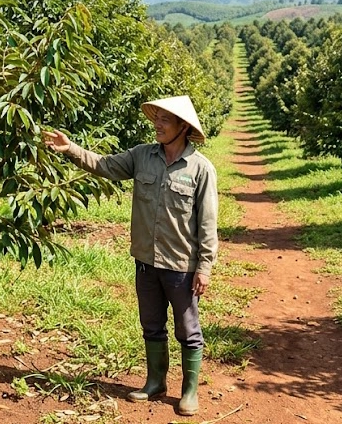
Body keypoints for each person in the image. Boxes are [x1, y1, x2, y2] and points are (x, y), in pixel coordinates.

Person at [42, 95, 217, 417]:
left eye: (165, 119)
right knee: (151, 325)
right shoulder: (141, 156)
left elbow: (207, 223)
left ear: (183, 127)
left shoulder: (200, 169)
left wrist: (204, 267)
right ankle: (156, 382)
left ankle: (189, 391)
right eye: (156, 118)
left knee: (188, 330)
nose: (157, 124)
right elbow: (105, 165)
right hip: (146, 261)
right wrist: (71, 149)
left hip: (180, 265)